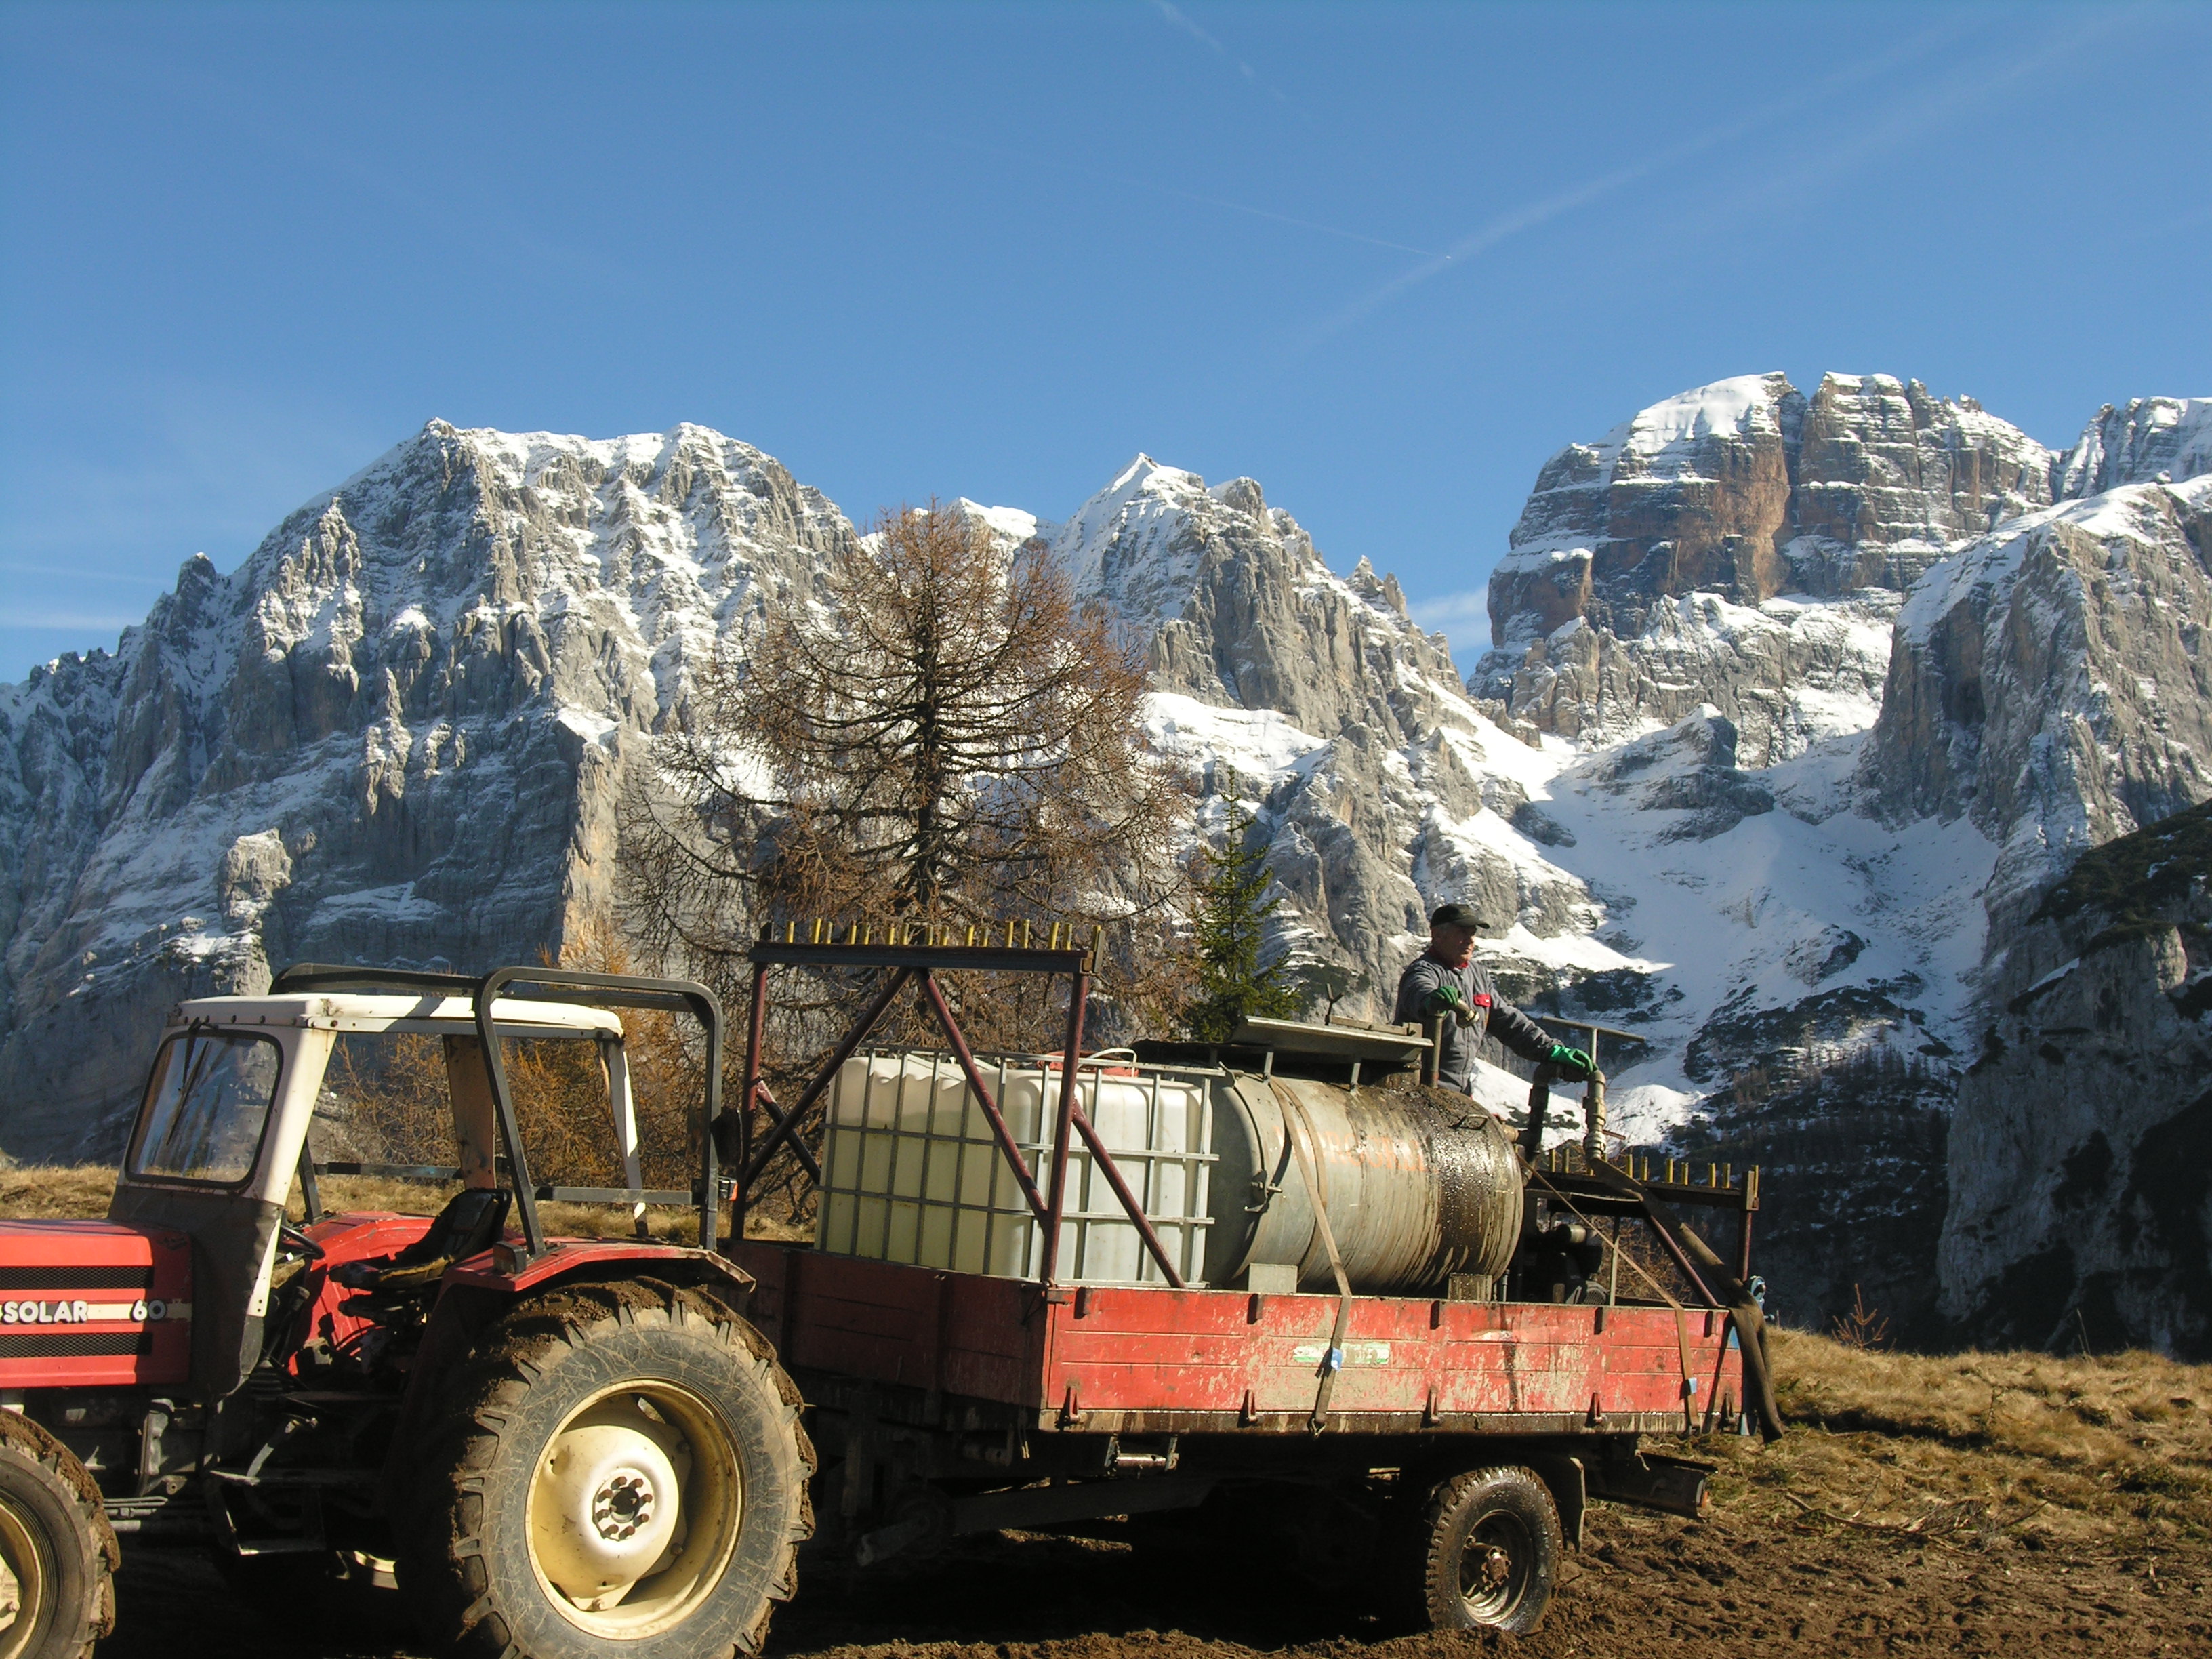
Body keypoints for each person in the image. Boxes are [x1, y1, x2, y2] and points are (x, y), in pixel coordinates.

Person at [1393, 902, 1595, 1095]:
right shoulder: (1424, 970)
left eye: (1472, 933)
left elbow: (1507, 1021)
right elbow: (1418, 991)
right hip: (1415, 1085)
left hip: (1459, 1091)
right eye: (1462, 932)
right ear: (1438, 935)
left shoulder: (1478, 975)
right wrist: (1431, 1000)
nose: (1470, 940)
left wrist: (1551, 1050)